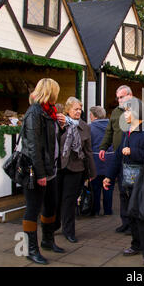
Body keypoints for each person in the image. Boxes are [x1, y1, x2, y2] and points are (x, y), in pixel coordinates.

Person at [103, 98, 144, 266]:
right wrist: (109, 176)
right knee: (131, 214)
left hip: (142, 180)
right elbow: (118, 156)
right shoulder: (127, 131)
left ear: (136, 113)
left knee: (143, 216)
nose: (125, 114)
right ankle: (136, 245)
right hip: (126, 180)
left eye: (127, 111)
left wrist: (133, 151)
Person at [20, 78, 65, 265]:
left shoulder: (50, 112)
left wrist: (61, 127)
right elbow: (33, 146)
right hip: (37, 171)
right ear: (51, 92)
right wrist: (40, 174)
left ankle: (47, 240)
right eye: (56, 91)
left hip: (51, 168)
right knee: (32, 209)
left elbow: (51, 141)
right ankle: (30, 249)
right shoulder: (34, 113)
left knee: (51, 205)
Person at [55, 97, 96, 243]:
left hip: (76, 167)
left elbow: (88, 151)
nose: (78, 112)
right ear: (67, 110)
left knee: (70, 200)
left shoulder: (85, 127)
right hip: (59, 166)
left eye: (80, 109)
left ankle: (69, 231)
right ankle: (54, 224)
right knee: (56, 198)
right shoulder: (60, 123)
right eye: (75, 109)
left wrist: (92, 172)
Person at [99, 85, 133, 234]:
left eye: (122, 97)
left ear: (130, 96)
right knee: (122, 191)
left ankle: (134, 224)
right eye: (118, 97)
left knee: (132, 191)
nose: (119, 100)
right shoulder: (115, 112)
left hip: (133, 158)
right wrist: (103, 147)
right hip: (118, 156)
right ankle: (125, 222)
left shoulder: (139, 111)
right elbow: (109, 131)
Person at [89, 106, 114, 216]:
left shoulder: (90, 128)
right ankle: (108, 210)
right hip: (110, 161)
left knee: (96, 187)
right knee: (109, 186)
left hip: (96, 162)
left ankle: (95, 210)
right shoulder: (112, 126)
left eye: (90, 115)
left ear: (94, 116)